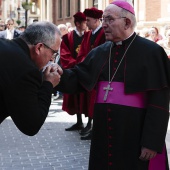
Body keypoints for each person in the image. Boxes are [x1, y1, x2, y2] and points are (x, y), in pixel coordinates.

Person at [54, 1, 170, 169]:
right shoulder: (100, 51)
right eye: (103, 19)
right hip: (103, 132)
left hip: (134, 132)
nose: (104, 25)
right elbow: (77, 78)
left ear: (127, 22)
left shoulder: (151, 52)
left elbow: (159, 102)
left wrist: (151, 141)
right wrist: (56, 74)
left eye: (109, 19)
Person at [0, 21, 62, 136]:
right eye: (53, 53)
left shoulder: (5, 45)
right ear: (39, 48)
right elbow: (31, 125)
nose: (52, 60)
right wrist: (48, 84)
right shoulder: (26, 71)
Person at [77, 7, 105, 140]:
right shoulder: (88, 34)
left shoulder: (104, 33)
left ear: (96, 20)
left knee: (96, 101)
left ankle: (96, 128)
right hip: (89, 71)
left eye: (88, 20)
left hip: (99, 73)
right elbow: (83, 51)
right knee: (89, 101)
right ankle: (89, 125)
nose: (86, 23)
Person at [60, 12, 87, 131]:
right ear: (77, 23)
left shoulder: (89, 36)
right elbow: (64, 54)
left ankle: (89, 124)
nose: (86, 25)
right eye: (84, 22)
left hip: (86, 71)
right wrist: (76, 64)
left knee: (86, 97)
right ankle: (79, 122)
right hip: (74, 71)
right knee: (75, 96)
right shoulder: (67, 38)